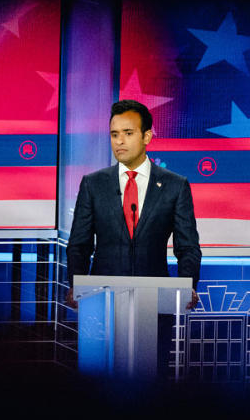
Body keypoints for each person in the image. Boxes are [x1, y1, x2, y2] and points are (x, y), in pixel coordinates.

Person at [66, 99, 201, 306]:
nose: (119, 141)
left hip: (154, 301)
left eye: (128, 133)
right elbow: (79, 245)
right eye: (114, 134)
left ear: (146, 136)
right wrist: (76, 284)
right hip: (101, 300)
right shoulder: (93, 184)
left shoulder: (175, 185)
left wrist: (187, 286)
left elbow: (188, 247)